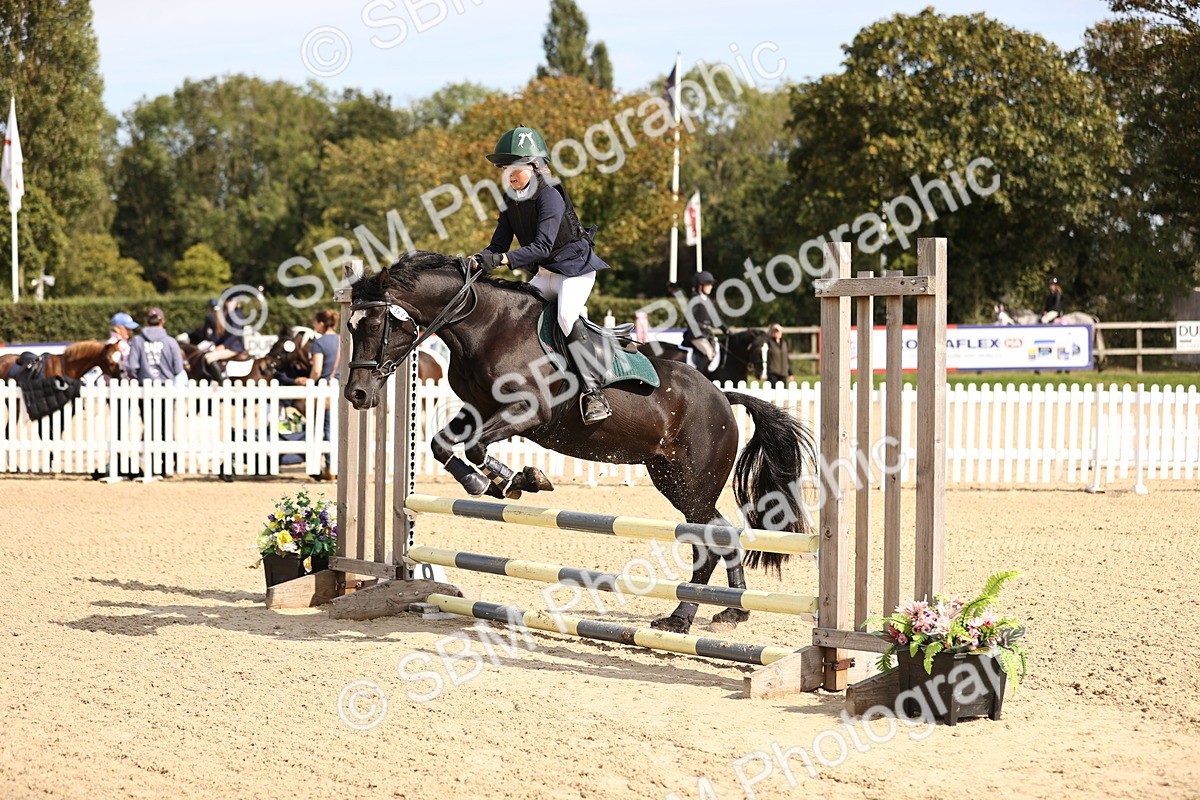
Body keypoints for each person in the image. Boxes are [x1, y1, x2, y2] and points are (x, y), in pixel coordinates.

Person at [470, 125, 613, 425]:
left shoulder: (550, 196)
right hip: (546, 274)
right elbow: (498, 244)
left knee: (564, 318)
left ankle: (593, 392)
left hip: (575, 271)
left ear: (534, 166)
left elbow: (541, 246)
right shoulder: (511, 200)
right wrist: (478, 259)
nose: (509, 173)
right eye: (506, 166)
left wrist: (504, 259)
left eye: (516, 166)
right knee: (518, 313)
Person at [127, 308, 185, 478]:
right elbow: (178, 368)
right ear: (162, 321)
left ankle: (151, 463)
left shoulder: (137, 341)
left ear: (147, 321)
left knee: (150, 427)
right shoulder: (170, 342)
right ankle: (167, 464)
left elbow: (131, 366)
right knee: (166, 427)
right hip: (165, 389)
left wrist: (140, 377)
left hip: (145, 390)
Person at [295, 310, 340, 481]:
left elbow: (317, 369)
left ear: (321, 323)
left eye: (315, 323)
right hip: (342, 388)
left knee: (327, 428)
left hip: (326, 390)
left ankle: (330, 467)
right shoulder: (343, 340)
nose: (314, 326)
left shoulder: (319, 343)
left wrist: (309, 380)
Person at [680, 271, 726, 370]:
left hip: (705, 334)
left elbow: (716, 319)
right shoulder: (694, 299)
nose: (711, 286)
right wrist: (702, 327)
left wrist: (726, 330)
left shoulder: (707, 300)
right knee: (708, 353)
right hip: (696, 335)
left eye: (711, 284)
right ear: (700, 286)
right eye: (708, 284)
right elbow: (688, 318)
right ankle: (696, 378)